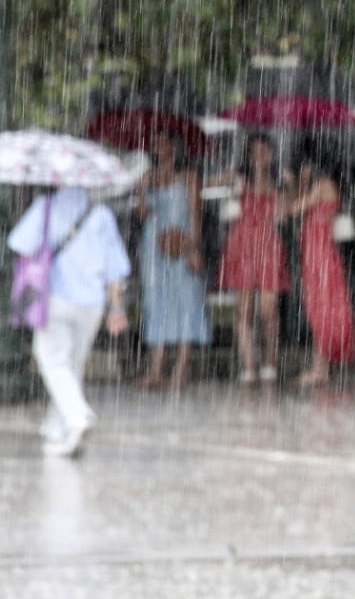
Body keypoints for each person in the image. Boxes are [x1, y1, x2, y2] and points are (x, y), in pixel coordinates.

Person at [8, 186, 131, 457]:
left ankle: (78, 415)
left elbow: (20, 245)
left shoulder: (46, 207)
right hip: (93, 303)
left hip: (56, 298)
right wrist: (117, 308)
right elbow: (115, 268)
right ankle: (58, 429)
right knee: (72, 364)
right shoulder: (101, 213)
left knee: (51, 358)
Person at [134, 130, 210, 390]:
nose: (157, 148)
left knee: (186, 300)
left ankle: (180, 372)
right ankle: (155, 370)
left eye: (162, 142)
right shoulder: (149, 177)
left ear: (175, 147)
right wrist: (140, 191)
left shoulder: (189, 176)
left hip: (181, 243)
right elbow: (143, 215)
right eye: (154, 144)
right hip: (153, 245)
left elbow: (196, 216)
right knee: (156, 302)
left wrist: (193, 248)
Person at [213, 133, 291, 384]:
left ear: (271, 155)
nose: (259, 156)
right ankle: (248, 365)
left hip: (269, 246)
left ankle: (270, 361)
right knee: (244, 309)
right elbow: (207, 184)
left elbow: (285, 216)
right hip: (242, 245)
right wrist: (225, 179)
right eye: (254, 151)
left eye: (263, 151)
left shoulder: (279, 184)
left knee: (268, 310)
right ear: (248, 155)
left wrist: (291, 186)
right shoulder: (239, 181)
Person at [288, 151, 355, 386]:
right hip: (317, 256)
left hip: (321, 258)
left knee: (322, 307)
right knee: (320, 308)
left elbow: (294, 208)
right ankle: (320, 366)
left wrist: (298, 182)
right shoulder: (325, 185)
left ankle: (320, 368)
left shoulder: (324, 184)